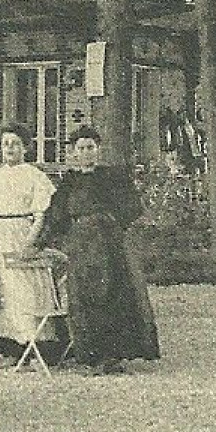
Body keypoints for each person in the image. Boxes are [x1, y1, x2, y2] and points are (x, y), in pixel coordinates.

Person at [39, 125, 161, 372]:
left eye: (90, 148)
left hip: (110, 244)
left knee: (114, 294)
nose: (86, 153)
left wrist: (110, 223)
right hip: (81, 246)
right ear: (73, 153)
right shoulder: (68, 183)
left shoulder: (113, 177)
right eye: (81, 149)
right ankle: (92, 355)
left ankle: (114, 355)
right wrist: (41, 243)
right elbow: (55, 216)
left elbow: (132, 207)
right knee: (85, 298)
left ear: (98, 150)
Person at [0, 123, 57, 353]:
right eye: (5, 144)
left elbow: (40, 215)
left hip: (24, 232)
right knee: (4, 290)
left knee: (28, 290)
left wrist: (29, 243)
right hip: (0, 235)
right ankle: (12, 347)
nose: (10, 148)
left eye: (15, 144)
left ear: (25, 148)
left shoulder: (35, 176)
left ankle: (37, 345)